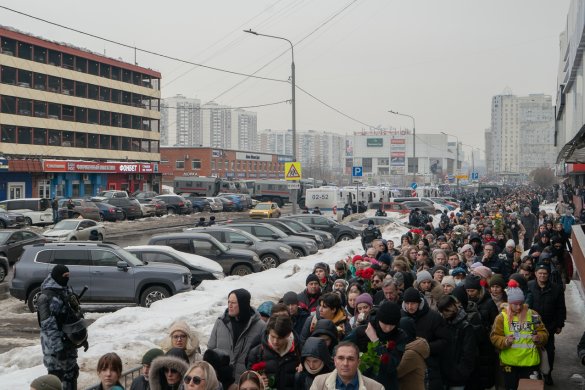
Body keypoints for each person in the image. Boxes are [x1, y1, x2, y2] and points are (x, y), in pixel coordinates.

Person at [490, 280, 548, 390]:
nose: (518, 307)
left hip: (530, 363)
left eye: (521, 303)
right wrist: (505, 341)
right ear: (509, 303)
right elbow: (494, 337)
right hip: (509, 364)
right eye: (515, 304)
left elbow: (544, 332)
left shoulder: (533, 315)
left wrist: (539, 338)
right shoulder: (501, 317)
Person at [37, 264, 89, 390]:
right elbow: (49, 328)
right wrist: (59, 350)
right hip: (55, 350)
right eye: (64, 276)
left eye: (68, 276)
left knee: (71, 375)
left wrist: (82, 339)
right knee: (56, 381)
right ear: (56, 276)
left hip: (69, 345)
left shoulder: (65, 290)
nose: (67, 279)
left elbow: (74, 316)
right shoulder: (46, 297)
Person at [208, 289, 266, 378]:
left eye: (234, 303)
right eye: (229, 302)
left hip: (245, 381)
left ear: (243, 304)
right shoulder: (221, 322)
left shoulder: (260, 326)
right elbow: (211, 349)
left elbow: (263, 356)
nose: (229, 306)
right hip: (222, 380)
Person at [401, 287, 449, 390]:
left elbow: (444, 341)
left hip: (430, 367)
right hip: (406, 366)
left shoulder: (434, 317)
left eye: (413, 303)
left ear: (419, 303)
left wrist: (425, 348)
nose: (410, 306)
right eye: (407, 303)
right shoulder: (400, 317)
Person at [527, 262, 566, 385]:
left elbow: (561, 307)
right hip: (531, 326)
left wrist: (560, 324)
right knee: (532, 350)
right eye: (540, 273)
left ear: (548, 275)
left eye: (545, 274)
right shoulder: (529, 286)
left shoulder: (556, 289)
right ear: (536, 274)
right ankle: (534, 373)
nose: (543, 276)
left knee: (549, 351)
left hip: (549, 326)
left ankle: (548, 373)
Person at [247, 316, 300, 390]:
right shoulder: (256, 353)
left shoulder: (299, 351)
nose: (275, 341)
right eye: (272, 336)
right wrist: (257, 380)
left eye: (280, 338)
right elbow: (247, 381)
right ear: (268, 332)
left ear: (288, 335)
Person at [436, 295, 478, 390]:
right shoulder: (444, 323)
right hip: (444, 374)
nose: (444, 314)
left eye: (446, 311)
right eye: (442, 312)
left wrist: (460, 372)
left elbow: (468, 353)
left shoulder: (465, 326)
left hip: (458, 376)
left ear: (453, 307)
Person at [309, 341, 384, 390]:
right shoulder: (319, 382)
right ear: (335, 361)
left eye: (350, 359)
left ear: (358, 362)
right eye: (341, 358)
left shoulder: (376, 388)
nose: (345, 363)